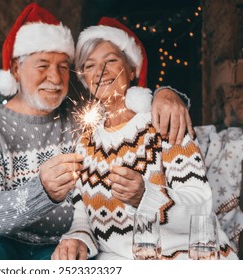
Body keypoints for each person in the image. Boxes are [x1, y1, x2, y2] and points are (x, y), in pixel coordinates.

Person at [0, 3, 194, 260]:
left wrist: (166, 94)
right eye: (43, 66)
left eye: (63, 66)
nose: (56, 79)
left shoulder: (84, 121)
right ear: (15, 69)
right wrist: (42, 191)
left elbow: (126, 109)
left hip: (61, 243)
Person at [51, 17, 238, 260]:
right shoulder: (85, 143)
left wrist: (145, 196)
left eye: (111, 60)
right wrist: (77, 237)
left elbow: (201, 206)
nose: (100, 72)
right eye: (89, 65)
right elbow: (82, 216)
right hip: (122, 261)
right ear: (85, 80)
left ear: (131, 69)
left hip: (185, 256)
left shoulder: (162, 122)